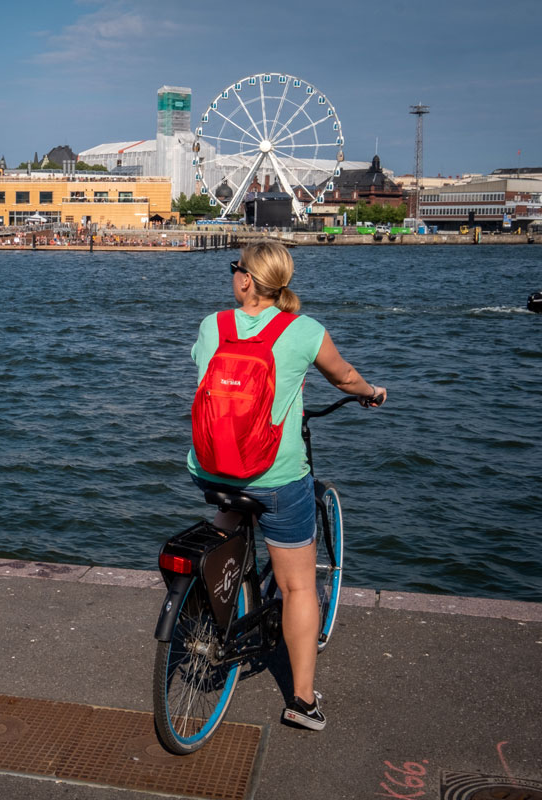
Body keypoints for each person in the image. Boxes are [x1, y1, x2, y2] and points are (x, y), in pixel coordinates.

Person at [187, 240, 386, 732]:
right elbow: (344, 378)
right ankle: (302, 700)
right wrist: (371, 392)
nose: (232, 275)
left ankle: (207, 600)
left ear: (247, 281)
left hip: (210, 469)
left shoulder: (214, 325)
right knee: (298, 584)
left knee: (230, 518)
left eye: (235, 269)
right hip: (274, 476)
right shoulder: (304, 331)